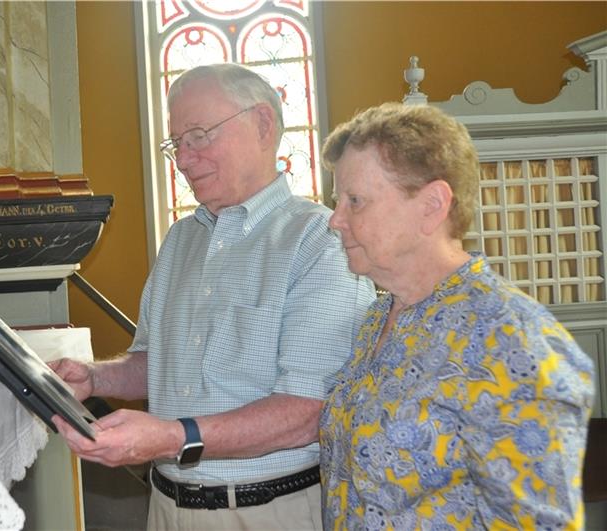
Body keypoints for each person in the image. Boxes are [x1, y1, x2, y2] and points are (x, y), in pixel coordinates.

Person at [49, 63, 375, 530]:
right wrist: (93, 378)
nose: (182, 159)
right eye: (175, 143)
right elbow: (154, 363)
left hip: (268, 513)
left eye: (199, 135)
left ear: (263, 125)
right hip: (166, 508)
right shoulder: (182, 238)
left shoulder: (319, 241)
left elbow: (307, 412)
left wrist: (169, 438)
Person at [319, 102, 595, 530]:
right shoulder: (379, 317)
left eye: (355, 201)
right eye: (338, 201)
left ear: (432, 205)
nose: (335, 220)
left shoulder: (510, 339)